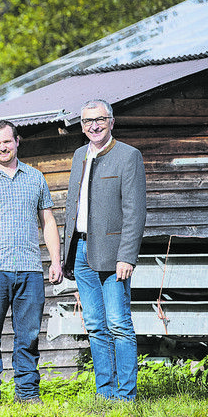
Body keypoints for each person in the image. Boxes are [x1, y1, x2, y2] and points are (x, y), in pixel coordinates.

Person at [0, 120, 63, 403]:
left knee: (28, 335)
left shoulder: (35, 177)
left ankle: (27, 393)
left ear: (17, 141)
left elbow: (48, 222)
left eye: (7, 141)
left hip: (29, 268)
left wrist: (56, 261)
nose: (2, 147)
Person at [61, 100, 147, 401]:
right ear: (82, 126)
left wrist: (127, 256)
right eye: (87, 121)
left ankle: (126, 397)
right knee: (96, 326)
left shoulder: (128, 155)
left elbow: (135, 211)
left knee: (119, 324)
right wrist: (67, 253)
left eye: (100, 119)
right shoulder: (79, 155)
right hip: (81, 250)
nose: (94, 126)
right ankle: (105, 395)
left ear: (112, 121)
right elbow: (72, 206)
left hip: (113, 254)